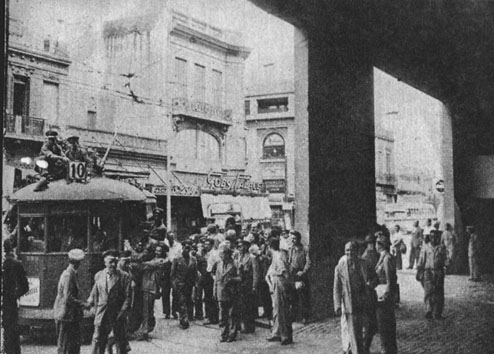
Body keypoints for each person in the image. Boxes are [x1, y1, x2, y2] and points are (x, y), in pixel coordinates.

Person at [334, 241, 378, 354]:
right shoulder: (340, 267)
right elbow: (337, 288)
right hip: (350, 303)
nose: (349, 253)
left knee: (367, 330)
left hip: (364, 301)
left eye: (352, 250)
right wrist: (337, 304)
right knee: (354, 332)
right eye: (347, 250)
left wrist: (370, 284)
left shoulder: (365, 264)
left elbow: (376, 278)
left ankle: (361, 350)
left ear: (357, 251)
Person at [87, 250, 131, 354]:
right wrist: (93, 307)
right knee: (98, 340)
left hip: (117, 314)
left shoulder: (124, 276)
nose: (114, 264)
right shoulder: (98, 275)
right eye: (111, 262)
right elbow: (95, 294)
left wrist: (123, 313)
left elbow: (128, 298)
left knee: (119, 341)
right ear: (105, 262)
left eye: (116, 261)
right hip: (102, 314)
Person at [53, 249, 87, 354]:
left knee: (72, 345)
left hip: (70, 315)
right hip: (66, 315)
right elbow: (68, 298)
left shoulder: (71, 273)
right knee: (65, 346)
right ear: (76, 263)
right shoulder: (68, 275)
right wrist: (83, 304)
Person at [2, 239, 29, 354]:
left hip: (6, 303)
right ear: (13, 248)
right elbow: (25, 287)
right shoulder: (17, 264)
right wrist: (15, 295)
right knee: (13, 334)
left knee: (8, 332)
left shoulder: (5, 264)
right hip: (12, 303)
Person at [135, 244, 167, 340]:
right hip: (147, 287)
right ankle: (148, 328)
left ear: (162, 252)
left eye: (159, 251)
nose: (157, 252)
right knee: (147, 310)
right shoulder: (153, 259)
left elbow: (146, 265)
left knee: (147, 310)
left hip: (151, 288)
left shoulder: (161, 261)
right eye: (156, 250)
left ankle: (145, 331)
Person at [265, 238, 293, 345]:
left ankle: (285, 336)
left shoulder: (279, 256)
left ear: (270, 247)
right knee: (276, 309)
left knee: (282, 309)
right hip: (276, 281)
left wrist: (288, 287)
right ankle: (276, 333)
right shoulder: (276, 256)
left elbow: (284, 272)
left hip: (281, 281)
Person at [374, 233, 398, 354]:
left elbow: (390, 280)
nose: (375, 246)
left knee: (385, 325)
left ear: (381, 245)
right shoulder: (382, 257)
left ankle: (388, 350)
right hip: (381, 294)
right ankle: (387, 349)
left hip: (385, 297)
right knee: (382, 325)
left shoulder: (387, 258)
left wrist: (386, 295)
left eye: (377, 243)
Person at [416, 230, 447, 320]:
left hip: (438, 272)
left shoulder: (441, 247)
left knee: (439, 292)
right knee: (428, 292)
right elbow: (421, 259)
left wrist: (446, 266)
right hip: (428, 272)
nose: (433, 239)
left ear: (439, 238)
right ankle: (428, 310)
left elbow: (445, 259)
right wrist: (419, 270)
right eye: (431, 237)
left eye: (435, 237)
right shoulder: (425, 247)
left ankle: (437, 313)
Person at [214, 242, 240, 342]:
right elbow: (216, 279)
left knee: (232, 314)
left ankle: (232, 334)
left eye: (223, 253)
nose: (221, 255)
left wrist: (232, 279)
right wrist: (215, 291)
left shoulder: (235, 264)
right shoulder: (218, 264)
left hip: (231, 292)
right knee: (222, 315)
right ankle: (223, 333)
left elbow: (240, 278)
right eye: (220, 253)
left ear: (228, 254)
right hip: (221, 292)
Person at [234, 239, 259, 333]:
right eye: (239, 246)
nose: (240, 248)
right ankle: (243, 325)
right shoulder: (238, 256)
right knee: (242, 306)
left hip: (248, 284)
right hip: (240, 284)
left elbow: (256, 273)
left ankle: (250, 327)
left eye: (242, 246)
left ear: (246, 247)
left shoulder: (252, 257)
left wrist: (254, 286)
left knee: (249, 307)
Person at [170, 241, 198, 329]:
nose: (187, 250)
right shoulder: (177, 259)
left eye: (188, 248)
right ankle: (183, 320)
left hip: (189, 284)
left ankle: (188, 317)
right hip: (179, 285)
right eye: (185, 248)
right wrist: (174, 285)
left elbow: (195, 273)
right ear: (182, 248)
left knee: (189, 301)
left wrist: (195, 283)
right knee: (181, 302)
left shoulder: (193, 259)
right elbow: (172, 274)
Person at [288, 230, 311, 324]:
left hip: (302, 274)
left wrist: (303, 272)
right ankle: (294, 316)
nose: (293, 240)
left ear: (299, 239)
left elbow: (308, 262)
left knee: (304, 297)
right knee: (293, 296)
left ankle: (305, 317)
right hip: (293, 274)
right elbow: (289, 261)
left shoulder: (305, 249)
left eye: (294, 238)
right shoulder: (291, 249)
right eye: (291, 238)